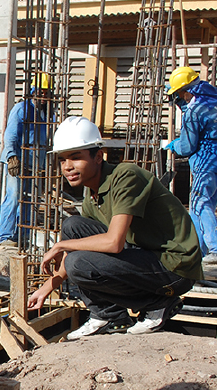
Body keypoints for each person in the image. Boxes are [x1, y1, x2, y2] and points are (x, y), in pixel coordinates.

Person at [28, 116, 202, 339]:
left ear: (98, 156)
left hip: (175, 267)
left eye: (75, 157)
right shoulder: (93, 196)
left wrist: (60, 246)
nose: (67, 166)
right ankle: (107, 315)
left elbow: (114, 242)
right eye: (62, 160)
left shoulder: (125, 177)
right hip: (146, 258)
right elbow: (86, 243)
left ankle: (158, 303)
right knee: (73, 227)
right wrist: (47, 287)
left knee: (76, 260)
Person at [163, 66, 217, 264]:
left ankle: (215, 249)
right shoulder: (213, 99)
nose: (179, 98)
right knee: (201, 206)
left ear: (186, 90)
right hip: (215, 161)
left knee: (201, 203)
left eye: (178, 94)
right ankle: (199, 253)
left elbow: (187, 146)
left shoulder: (194, 111)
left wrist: (174, 144)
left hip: (206, 161)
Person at [0, 73, 51, 246]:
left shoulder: (46, 114)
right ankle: (4, 236)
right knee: (13, 197)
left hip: (35, 165)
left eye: (46, 92)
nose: (43, 96)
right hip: (18, 163)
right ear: (33, 90)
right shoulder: (22, 109)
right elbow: (10, 135)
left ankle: (22, 236)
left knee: (30, 200)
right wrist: (11, 156)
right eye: (40, 92)